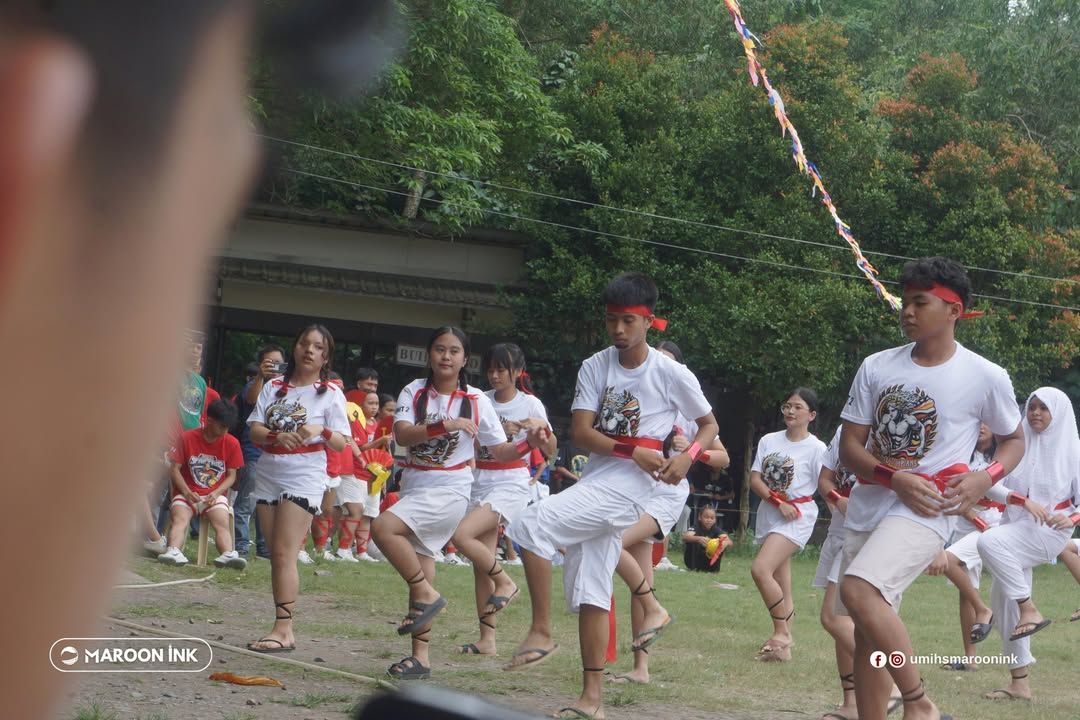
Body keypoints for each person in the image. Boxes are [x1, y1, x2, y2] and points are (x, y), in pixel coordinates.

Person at [504, 272, 718, 720]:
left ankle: (541, 630)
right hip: (598, 480)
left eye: (627, 320)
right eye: (611, 320)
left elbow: (708, 425)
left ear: (649, 321)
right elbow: (582, 433)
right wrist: (630, 450)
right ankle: (592, 700)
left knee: (528, 523)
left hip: (635, 489)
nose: (618, 329)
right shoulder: (595, 366)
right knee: (592, 589)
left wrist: (688, 457)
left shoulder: (671, 373)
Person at [837, 257, 1024, 720]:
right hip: (871, 501)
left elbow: (1014, 440)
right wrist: (892, 478)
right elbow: (849, 447)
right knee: (867, 631)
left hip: (928, 509)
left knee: (858, 590)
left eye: (920, 303)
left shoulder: (985, 375)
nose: (907, 311)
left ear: (954, 310)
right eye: (905, 301)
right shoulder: (876, 366)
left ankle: (919, 703)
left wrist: (985, 476)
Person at [372, 326, 547, 680]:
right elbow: (402, 434)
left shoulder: (476, 400)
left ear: (465, 359)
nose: (446, 356)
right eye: (440, 349)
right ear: (429, 354)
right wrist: (445, 425)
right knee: (420, 571)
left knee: (382, 528)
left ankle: (450, 591)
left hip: (450, 490)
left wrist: (531, 443)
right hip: (415, 486)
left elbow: (500, 451)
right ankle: (420, 658)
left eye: (454, 351)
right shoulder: (414, 391)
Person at [608, 340, 730, 685]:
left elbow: (723, 458)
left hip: (666, 493)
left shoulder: (689, 411)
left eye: (666, 362)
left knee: (609, 542)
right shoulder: (636, 402)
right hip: (633, 489)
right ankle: (640, 668)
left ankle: (654, 609)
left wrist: (693, 451)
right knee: (641, 580)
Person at [246, 325, 350, 653]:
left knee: (284, 551)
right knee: (274, 553)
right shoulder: (274, 386)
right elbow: (254, 430)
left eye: (318, 347)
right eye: (305, 343)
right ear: (295, 348)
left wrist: (320, 429)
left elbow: (342, 442)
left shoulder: (330, 393)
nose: (309, 350)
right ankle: (282, 627)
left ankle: (283, 628)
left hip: (304, 474)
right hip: (269, 470)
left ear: (326, 357)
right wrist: (277, 436)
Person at [974, 387, 1080, 702]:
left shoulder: (1074, 450)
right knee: (1003, 600)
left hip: (1050, 532)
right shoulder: (1016, 447)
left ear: (1058, 412)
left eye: (1044, 408)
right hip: (1015, 526)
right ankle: (1019, 683)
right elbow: (989, 483)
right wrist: (1021, 500)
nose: (1035, 413)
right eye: (1032, 406)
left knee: (988, 541)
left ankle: (1028, 608)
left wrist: (1072, 519)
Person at [453, 343, 556, 657]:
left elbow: (550, 448)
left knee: (463, 536)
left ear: (517, 371)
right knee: (480, 563)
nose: (495, 375)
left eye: (502, 369)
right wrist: (499, 430)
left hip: (510, 482)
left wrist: (540, 432)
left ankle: (506, 582)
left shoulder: (531, 403)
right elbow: (468, 441)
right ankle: (487, 640)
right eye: (491, 369)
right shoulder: (480, 399)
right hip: (479, 480)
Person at [814, 426, 900, 719]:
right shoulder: (845, 430)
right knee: (848, 622)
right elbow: (825, 480)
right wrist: (837, 499)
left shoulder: (892, 428)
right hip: (838, 532)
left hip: (871, 532)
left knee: (833, 618)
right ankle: (851, 704)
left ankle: (897, 683)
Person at [749, 388, 826, 662]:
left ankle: (782, 633)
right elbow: (755, 479)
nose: (790, 411)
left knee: (760, 569)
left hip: (797, 516)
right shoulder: (769, 440)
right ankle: (783, 651)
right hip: (772, 513)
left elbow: (826, 484)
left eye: (798, 407)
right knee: (783, 582)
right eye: (787, 406)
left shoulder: (817, 448)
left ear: (811, 415)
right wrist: (776, 501)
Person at [935, 424, 1002, 670]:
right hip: (965, 521)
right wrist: (973, 517)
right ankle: (970, 658)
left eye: (988, 421)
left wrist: (985, 523)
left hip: (995, 522)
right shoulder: (961, 453)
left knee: (949, 560)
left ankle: (984, 610)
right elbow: (948, 489)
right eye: (978, 421)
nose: (982, 426)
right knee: (966, 590)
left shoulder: (1004, 456)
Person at [159, 399, 246, 569]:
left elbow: (232, 476)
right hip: (186, 493)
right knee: (180, 519)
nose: (225, 431)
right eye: (222, 426)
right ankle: (173, 551)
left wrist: (216, 492)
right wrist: (186, 492)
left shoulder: (232, 443)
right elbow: (174, 469)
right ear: (209, 420)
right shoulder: (187, 438)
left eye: (227, 428)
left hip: (214, 496)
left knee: (221, 522)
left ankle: (227, 554)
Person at [233, 344, 286, 558]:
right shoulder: (254, 384)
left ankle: (264, 548)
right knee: (246, 502)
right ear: (260, 364)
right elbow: (251, 399)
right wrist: (261, 377)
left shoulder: (288, 388)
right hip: (253, 453)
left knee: (268, 503)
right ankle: (241, 546)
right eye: (269, 362)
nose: (274, 367)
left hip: (276, 455)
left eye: (278, 363)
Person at [682, 507, 731, 572]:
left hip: (710, 562)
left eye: (712, 518)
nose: (709, 520)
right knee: (692, 540)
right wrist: (698, 539)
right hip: (693, 562)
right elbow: (685, 537)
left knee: (721, 543)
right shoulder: (696, 527)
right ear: (700, 517)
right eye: (706, 517)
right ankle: (694, 567)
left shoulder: (716, 529)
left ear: (715, 520)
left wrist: (725, 543)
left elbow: (729, 541)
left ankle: (714, 568)